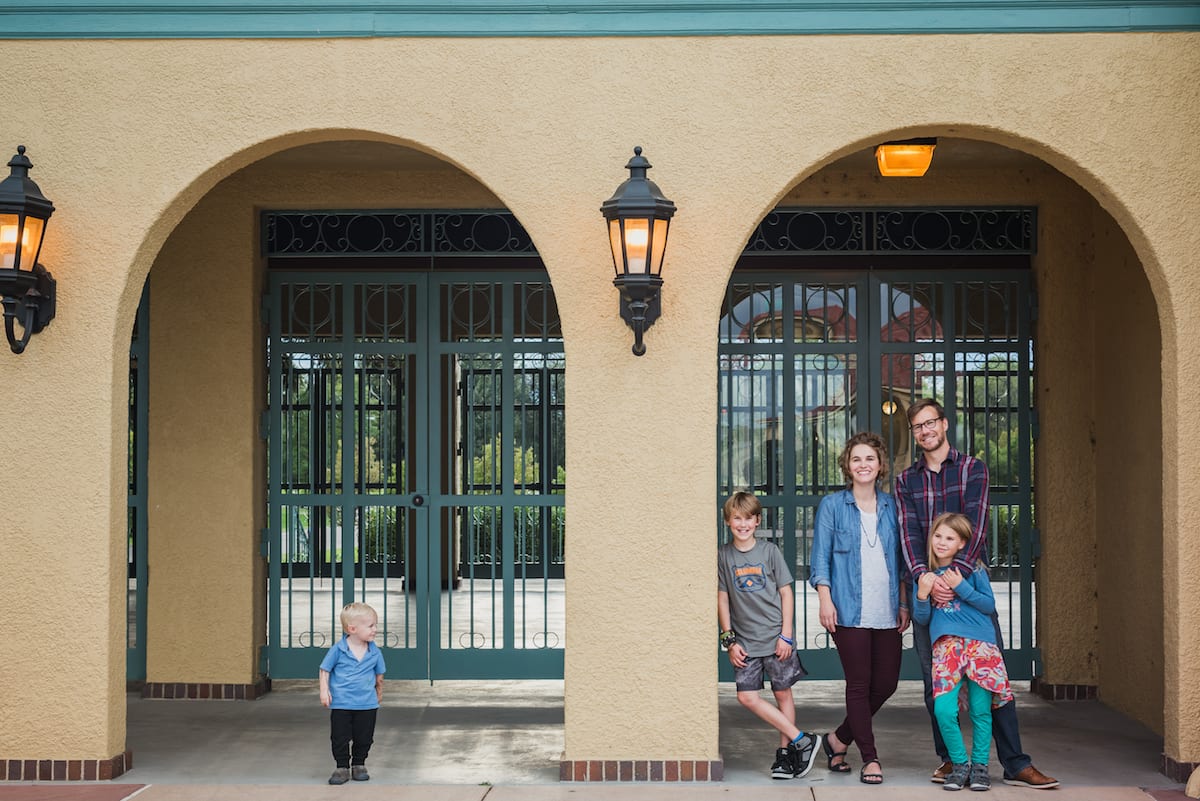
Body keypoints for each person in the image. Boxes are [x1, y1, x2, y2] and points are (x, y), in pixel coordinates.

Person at [895, 398, 1058, 790]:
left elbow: (978, 526)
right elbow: (909, 534)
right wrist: (926, 581)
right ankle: (951, 761)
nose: (925, 431)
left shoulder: (972, 469)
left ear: (945, 424)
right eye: (918, 427)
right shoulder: (906, 480)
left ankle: (1015, 762)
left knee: (992, 680)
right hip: (926, 589)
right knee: (937, 686)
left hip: (969, 586)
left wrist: (952, 581)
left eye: (930, 423)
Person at [809, 432, 910, 785]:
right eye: (856, 459)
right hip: (848, 609)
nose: (863, 465)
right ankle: (870, 758)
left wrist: (902, 602)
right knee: (859, 683)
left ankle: (838, 739)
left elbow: (900, 561)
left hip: (886, 608)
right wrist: (825, 599)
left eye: (870, 458)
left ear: (880, 465)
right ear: (847, 466)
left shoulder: (892, 507)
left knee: (886, 683)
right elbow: (820, 557)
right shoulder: (833, 506)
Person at [717, 490, 822, 780]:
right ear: (728, 521)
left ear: (757, 520)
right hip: (745, 642)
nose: (743, 524)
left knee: (782, 693)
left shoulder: (769, 552)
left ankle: (786, 756)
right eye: (737, 518)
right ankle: (803, 739)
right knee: (747, 697)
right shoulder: (723, 556)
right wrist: (729, 640)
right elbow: (722, 598)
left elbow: (786, 593)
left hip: (776, 637)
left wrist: (786, 635)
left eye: (748, 518)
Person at [914, 512, 1015, 792]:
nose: (942, 542)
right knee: (944, 710)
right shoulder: (924, 576)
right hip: (946, 649)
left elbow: (988, 605)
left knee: (981, 711)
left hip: (980, 647)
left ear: (961, 544)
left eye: (949, 538)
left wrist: (961, 588)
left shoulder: (974, 571)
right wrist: (923, 594)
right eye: (938, 536)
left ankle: (980, 767)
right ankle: (960, 764)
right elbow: (921, 619)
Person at [319, 601, 387, 785]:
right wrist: (324, 692)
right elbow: (325, 669)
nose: (375, 629)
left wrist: (379, 693)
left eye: (376, 625)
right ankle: (341, 767)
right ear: (352, 628)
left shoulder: (375, 652)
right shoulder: (338, 650)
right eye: (371, 626)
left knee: (364, 736)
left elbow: (379, 675)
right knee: (339, 736)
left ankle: (359, 764)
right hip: (341, 702)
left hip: (367, 703)